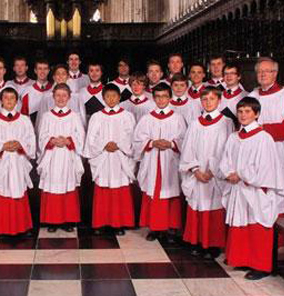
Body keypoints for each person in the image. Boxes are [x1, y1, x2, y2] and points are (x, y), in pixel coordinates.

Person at [219, 96, 284, 280]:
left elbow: (266, 167)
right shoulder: (234, 137)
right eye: (240, 111)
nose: (243, 115)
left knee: (256, 225)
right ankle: (243, 260)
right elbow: (225, 160)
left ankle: (261, 265)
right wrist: (228, 173)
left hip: (255, 189)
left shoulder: (264, 138)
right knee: (241, 224)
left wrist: (241, 175)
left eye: (247, 111)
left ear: (256, 114)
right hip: (238, 188)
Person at [180, 87, 234, 259]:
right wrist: (195, 170)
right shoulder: (195, 124)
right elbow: (188, 148)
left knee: (214, 207)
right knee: (197, 204)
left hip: (215, 175)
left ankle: (213, 245)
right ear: (200, 102)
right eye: (205, 100)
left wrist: (213, 171)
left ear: (219, 101)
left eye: (212, 99)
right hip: (198, 174)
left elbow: (228, 150)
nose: (208, 102)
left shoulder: (226, 122)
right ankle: (196, 241)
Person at [249, 57, 284, 215]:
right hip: (256, 153)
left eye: (266, 71)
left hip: (278, 151)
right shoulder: (252, 96)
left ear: (275, 73)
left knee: (276, 195)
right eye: (259, 71)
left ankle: (278, 237)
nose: (262, 74)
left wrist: (262, 130)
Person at [134, 83, 186, 242]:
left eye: (164, 96)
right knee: (153, 192)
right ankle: (154, 228)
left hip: (170, 160)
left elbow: (185, 139)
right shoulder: (147, 118)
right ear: (153, 98)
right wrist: (151, 143)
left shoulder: (177, 118)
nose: (161, 99)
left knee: (170, 192)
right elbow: (137, 140)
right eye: (157, 96)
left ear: (170, 97)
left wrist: (171, 144)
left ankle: (170, 228)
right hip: (152, 160)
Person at [84, 83, 136, 236]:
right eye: (108, 96)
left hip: (120, 158)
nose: (111, 99)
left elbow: (132, 137)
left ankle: (119, 223)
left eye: (114, 96)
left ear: (119, 97)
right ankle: (101, 222)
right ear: (103, 98)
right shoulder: (96, 116)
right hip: (104, 158)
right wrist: (105, 145)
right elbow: (91, 139)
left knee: (120, 189)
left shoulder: (127, 116)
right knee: (103, 189)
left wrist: (118, 145)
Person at [0, 87, 36, 236]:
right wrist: (2, 146)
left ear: (17, 101)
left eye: (12, 98)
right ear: (1, 100)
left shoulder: (24, 120)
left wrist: (20, 145)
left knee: (18, 190)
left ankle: (21, 227)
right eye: (6, 98)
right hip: (1, 162)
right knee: (1, 191)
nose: (9, 101)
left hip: (18, 161)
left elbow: (31, 140)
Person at [37, 83, 85, 233]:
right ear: (53, 97)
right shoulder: (47, 116)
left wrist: (68, 141)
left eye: (64, 95)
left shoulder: (74, 116)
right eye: (58, 95)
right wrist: (50, 140)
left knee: (68, 186)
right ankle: (52, 220)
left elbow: (80, 136)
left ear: (69, 97)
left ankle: (68, 220)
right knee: (52, 186)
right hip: (52, 156)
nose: (61, 98)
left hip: (67, 156)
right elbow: (41, 136)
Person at [20, 58, 53, 123]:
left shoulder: (55, 90)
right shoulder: (27, 92)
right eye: (40, 68)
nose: (42, 71)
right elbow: (24, 117)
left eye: (45, 69)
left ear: (49, 70)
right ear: (35, 70)